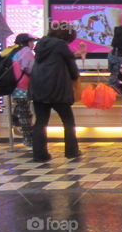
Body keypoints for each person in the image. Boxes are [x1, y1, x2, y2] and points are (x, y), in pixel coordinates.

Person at [29, 24, 84, 162]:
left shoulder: (41, 44)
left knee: (40, 121)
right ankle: (72, 151)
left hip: (38, 87)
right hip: (57, 88)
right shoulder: (60, 44)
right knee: (68, 121)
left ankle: (40, 155)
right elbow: (71, 67)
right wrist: (75, 76)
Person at [11, 34, 37, 148]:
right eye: (31, 41)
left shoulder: (13, 52)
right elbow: (31, 69)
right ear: (27, 42)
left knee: (21, 109)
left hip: (15, 85)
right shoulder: (26, 52)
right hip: (23, 85)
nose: (33, 44)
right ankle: (28, 139)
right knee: (24, 113)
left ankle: (15, 120)